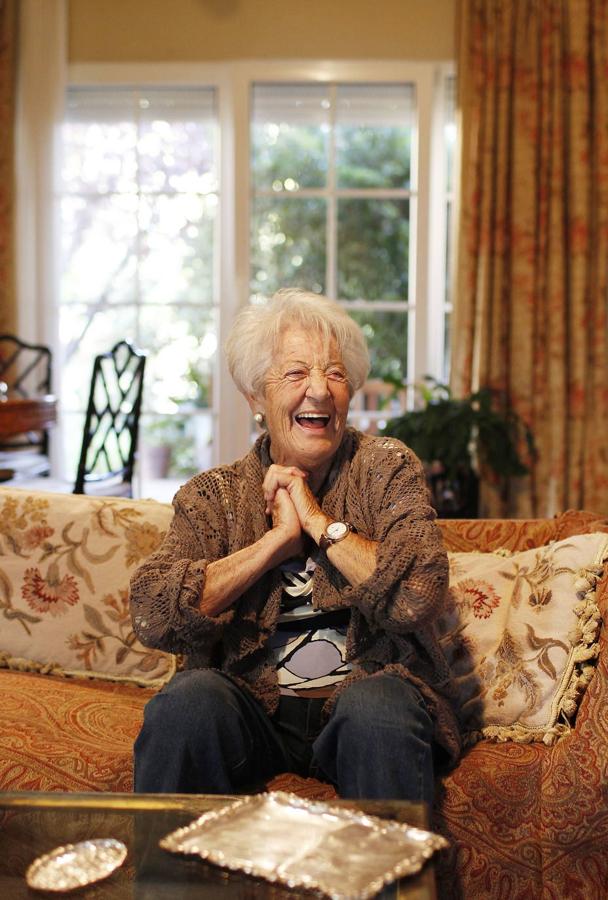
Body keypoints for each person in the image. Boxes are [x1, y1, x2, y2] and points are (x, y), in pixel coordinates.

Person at [130, 288, 460, 802]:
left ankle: (392, 882)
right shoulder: (212, 495)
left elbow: (417, 593)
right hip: (251, 714)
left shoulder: (385, 468)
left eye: (334, 373)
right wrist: (272, 546)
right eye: (295, 373)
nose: (320, 391)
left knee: (378, 709)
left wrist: (317, 522)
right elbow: (153, 616)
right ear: (255, 398)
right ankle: (171, 882)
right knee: (186, 704)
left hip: (365, 699)